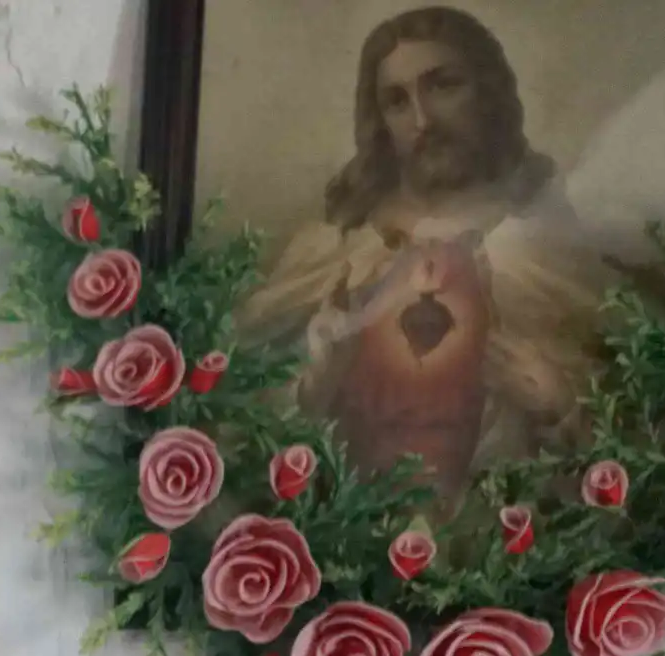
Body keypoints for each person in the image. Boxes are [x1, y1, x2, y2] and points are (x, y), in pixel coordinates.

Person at [241, 6, 617, 504]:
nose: (422, 120)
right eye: (397, 101)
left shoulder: (547, 247)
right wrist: (313, 384)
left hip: (501, 546)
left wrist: (558, 403)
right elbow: (241, 410)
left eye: (443, 86)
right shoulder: (332, 248)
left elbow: (638, 428)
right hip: (353, 542)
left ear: (487, 91)